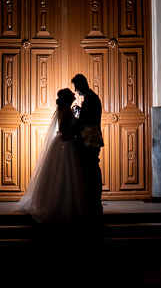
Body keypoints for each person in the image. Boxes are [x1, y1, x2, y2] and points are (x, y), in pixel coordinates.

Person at [18, 88, 86, 224]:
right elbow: (66, 128)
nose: (74, 97)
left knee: (59, 173)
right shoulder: (67, 111)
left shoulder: (62, 110)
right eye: (72, 96)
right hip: (66, 143)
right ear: (68, 98)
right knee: (66, 173)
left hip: (61, 142)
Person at [71, 73, 103, 218]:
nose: (77, 91)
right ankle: (93, 201)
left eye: (77, 88)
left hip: (91, 139)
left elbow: (87, 119)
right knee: (91, 168)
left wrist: (78, 114)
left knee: (92, 169)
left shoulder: (91, 98)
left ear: (82, 84)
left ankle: (95, 201)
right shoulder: (90, 97)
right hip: (90, 138)